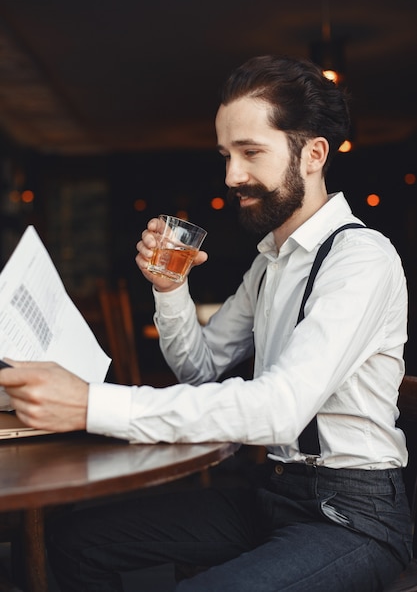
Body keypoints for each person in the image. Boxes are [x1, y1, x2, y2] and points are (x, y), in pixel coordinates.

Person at [0, 54, 412, 591]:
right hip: (271, 491)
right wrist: (170, 290)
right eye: (225, 155)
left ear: (313, 155)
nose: (231, 176)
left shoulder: (361, 258)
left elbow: (279, 410)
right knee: (73, 540)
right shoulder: (271, 262)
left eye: (250, 153)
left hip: (352, 516)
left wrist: (88, 403)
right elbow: (201, 368)